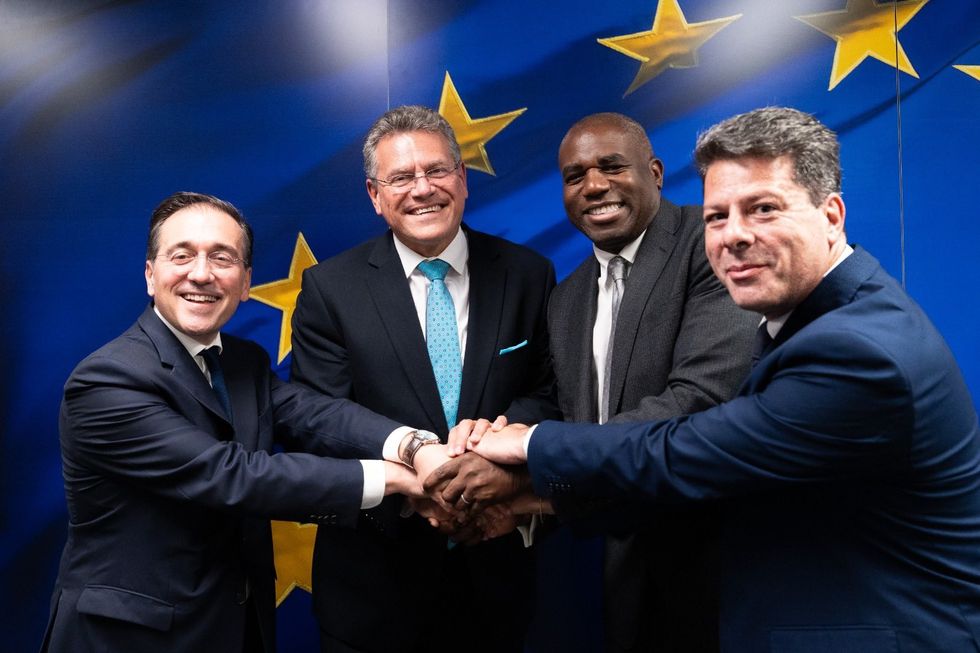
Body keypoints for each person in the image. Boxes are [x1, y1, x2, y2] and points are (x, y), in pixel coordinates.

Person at [452, 107, 980, 652]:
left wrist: (527, 451)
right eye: (717, 216)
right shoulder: (808, 319)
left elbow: (691, 449)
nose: (735, 236)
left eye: (764, 209)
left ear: (832, 215)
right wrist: (521, 488)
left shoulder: (855, 352)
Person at [40, 192, 431, 653]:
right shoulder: (106, 380)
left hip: (234, 629)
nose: (201, 273)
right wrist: (393, 478)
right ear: (151, 275)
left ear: (245, 282)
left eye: (221, 258)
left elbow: (313, 414)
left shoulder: (243, 362)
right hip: (129, 639)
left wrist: (413, 445)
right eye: (181, 255)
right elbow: (230, 475)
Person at [290, 105, 559, 653]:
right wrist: (419, 484)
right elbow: (317, 418)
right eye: (401, 178)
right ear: (374, 195)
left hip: (496, 577)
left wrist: (492, 455)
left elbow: (551, 391)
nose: (422, 190)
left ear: (462, 180)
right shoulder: (329, 290)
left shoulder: (529, 274)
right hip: (373, 588)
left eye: (437, 171)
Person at [543, 112, 755, 652]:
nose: (594, 186)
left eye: (612, 167)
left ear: (655, 173)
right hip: (623, 566)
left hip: (722, 566)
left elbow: (701, 399)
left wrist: (530, 467)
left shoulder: (708, 247)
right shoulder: (566, 300)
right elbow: (576, 420)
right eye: (575, 176)